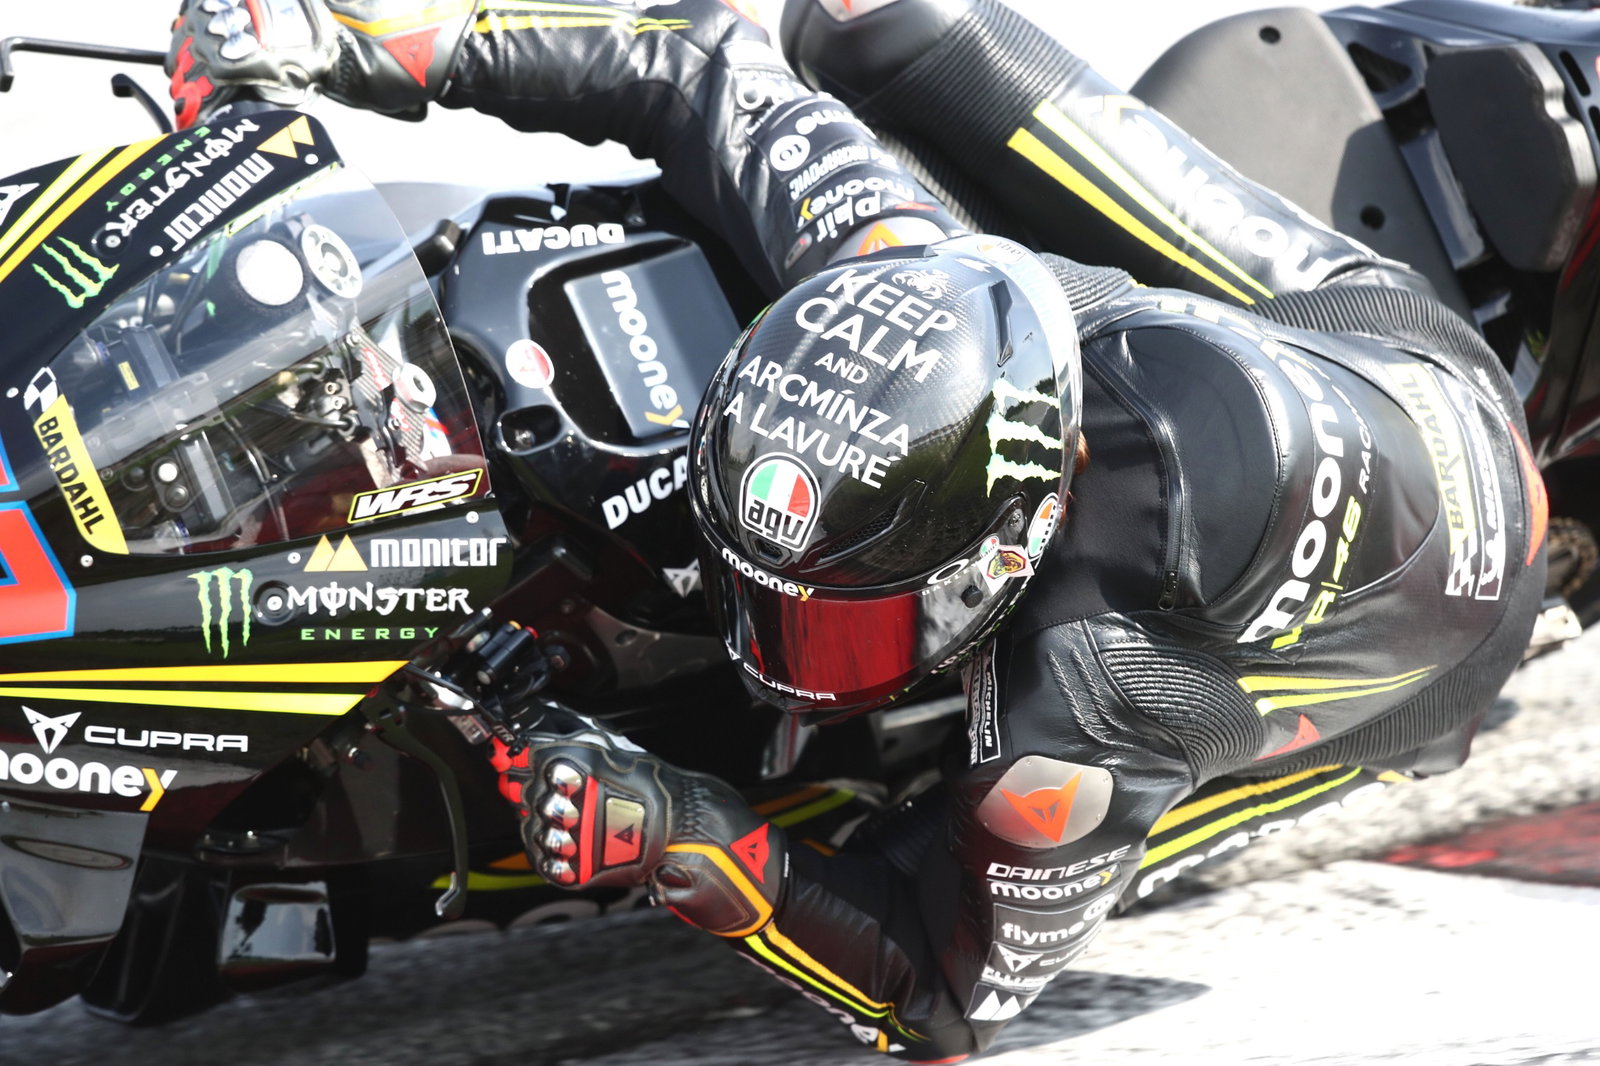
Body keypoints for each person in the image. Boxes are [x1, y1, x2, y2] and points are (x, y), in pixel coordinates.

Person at [169, 0, 1548, 1060]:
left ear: (1008, 553)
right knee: (860, 20)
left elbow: (938, 992)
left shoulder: (1083, 705)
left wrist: (697, 838)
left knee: (986, 850)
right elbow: (701, 58)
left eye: (847, 616)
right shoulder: (899, 268)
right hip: (1337, 340)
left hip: (1446, 607)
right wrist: (354, 41)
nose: (784, 647)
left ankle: (1411, 708)